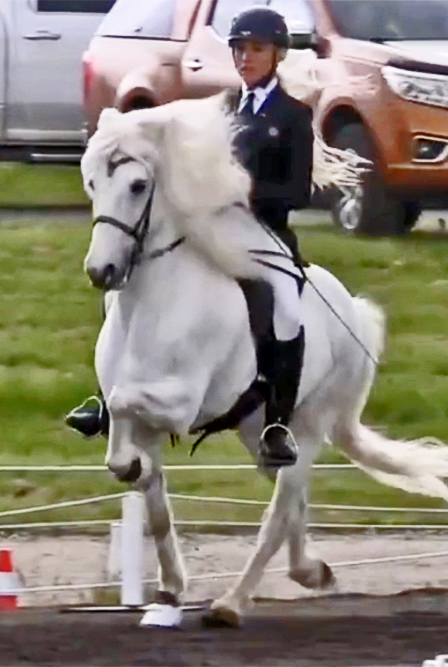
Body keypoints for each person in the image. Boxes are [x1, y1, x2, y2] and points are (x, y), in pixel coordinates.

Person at [65, 6, 314, 467]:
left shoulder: (294, 115)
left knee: (287, 303)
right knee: (128, 283)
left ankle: (277, 422)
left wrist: (243, 192)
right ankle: (105, 398)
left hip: (262, 231)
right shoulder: (221, 108)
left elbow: (298, 189)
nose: (245, 58)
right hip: (209, 223)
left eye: (256, 50)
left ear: (277, 54)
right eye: (239, 49)